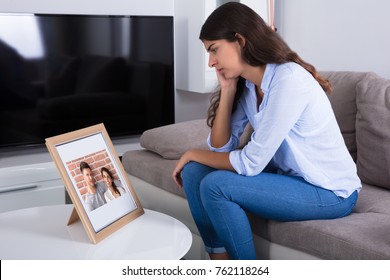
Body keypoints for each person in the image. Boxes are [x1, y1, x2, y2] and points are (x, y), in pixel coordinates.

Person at [172, 2, 361, 260]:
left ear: (239, 40)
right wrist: (227, 91)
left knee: (216, 185)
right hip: (291, 177)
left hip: (330, 191)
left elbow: (250, 162)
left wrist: (192, 152)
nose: (211, 62)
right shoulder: (250, 86)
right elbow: (221, 147)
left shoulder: (288, 80)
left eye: (214, 50)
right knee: (194, 173)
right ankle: (218, 259)